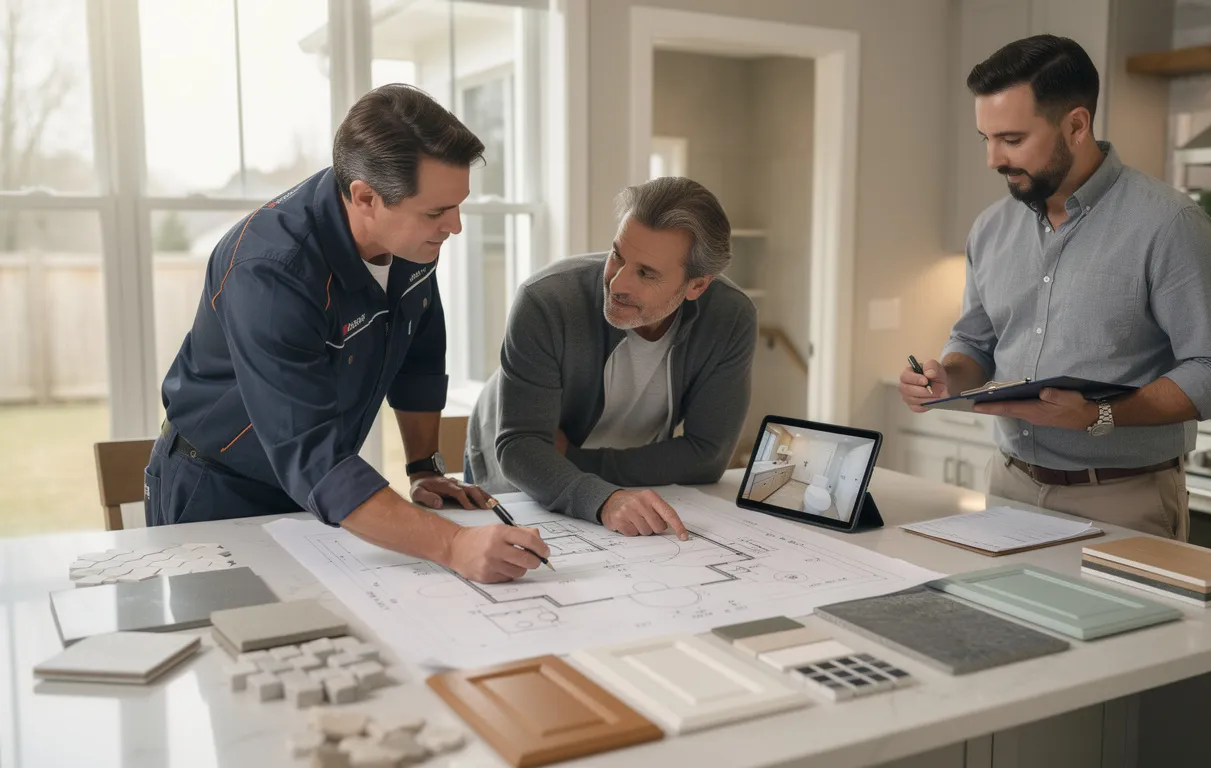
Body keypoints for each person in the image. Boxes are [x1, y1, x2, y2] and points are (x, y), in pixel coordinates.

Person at [147, 84, 549, 584]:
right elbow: (312, 453)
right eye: (437, 212)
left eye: (458, 205)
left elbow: (419, 351)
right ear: (365, 197)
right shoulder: (270, 271)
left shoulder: (410, 236)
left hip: (324, 489)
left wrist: (424, 466)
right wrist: (453, 543)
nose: (456, 227)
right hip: (221, 491)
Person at [898, 35, 1211, 540]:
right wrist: (944, 378)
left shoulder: (1172, 225)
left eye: (1012, 140)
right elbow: (975, 343)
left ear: (1076, 125)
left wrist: (1098, 415)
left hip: (1123, 501)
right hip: (1008, 486)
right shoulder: (991, 228)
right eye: (986, 139)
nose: (993, 159)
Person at [466, 177, 758, 539]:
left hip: (623, 489)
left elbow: (707, 456)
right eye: (618, 254)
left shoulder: (730, 317)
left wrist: (573, 460)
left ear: (697, 285)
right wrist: (604, 499)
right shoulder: (545, 301)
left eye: (646, 273)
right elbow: (521, 450)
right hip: (516, 479)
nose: (618, 283)